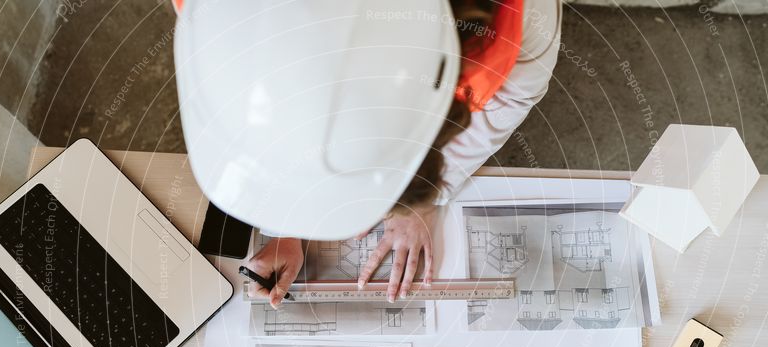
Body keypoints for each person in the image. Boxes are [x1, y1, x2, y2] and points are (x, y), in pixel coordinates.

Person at [174, 0, 561, 307]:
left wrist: (425, 196)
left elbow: (513, 94)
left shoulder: (520, 20)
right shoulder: (212, 20)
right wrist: (290, 221)